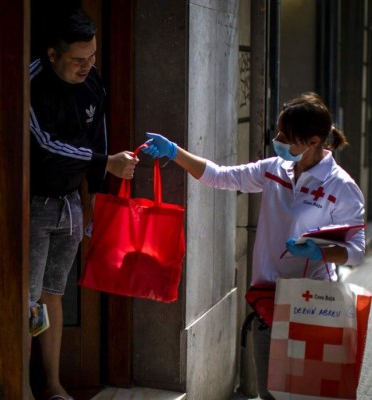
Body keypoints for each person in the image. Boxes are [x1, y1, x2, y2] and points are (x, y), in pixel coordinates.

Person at [141, 92, 365, 400]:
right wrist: (174, 151)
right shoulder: (274, 169)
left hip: (310, 303)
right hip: (267, 302)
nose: (277, 140)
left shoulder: (340, 186)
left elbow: (356, 249)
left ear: (313, 142)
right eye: (278, 132)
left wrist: (319, 251)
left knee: (305, 394)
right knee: (270, 392)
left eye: (286, 137)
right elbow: (219, 177)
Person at [28, 7, 139, 400]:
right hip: (32, 205)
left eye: (92, 57)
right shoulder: (31, 81)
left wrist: (96, 193)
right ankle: (20, 386)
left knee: (52, 293)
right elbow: (43, 146)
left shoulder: (93, 81)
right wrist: (103, 163)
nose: (87, 67)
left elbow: (99, 138)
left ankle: (53, 385)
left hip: (71, 203)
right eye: (78, 60)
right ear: (52, 55)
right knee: (25, 298)